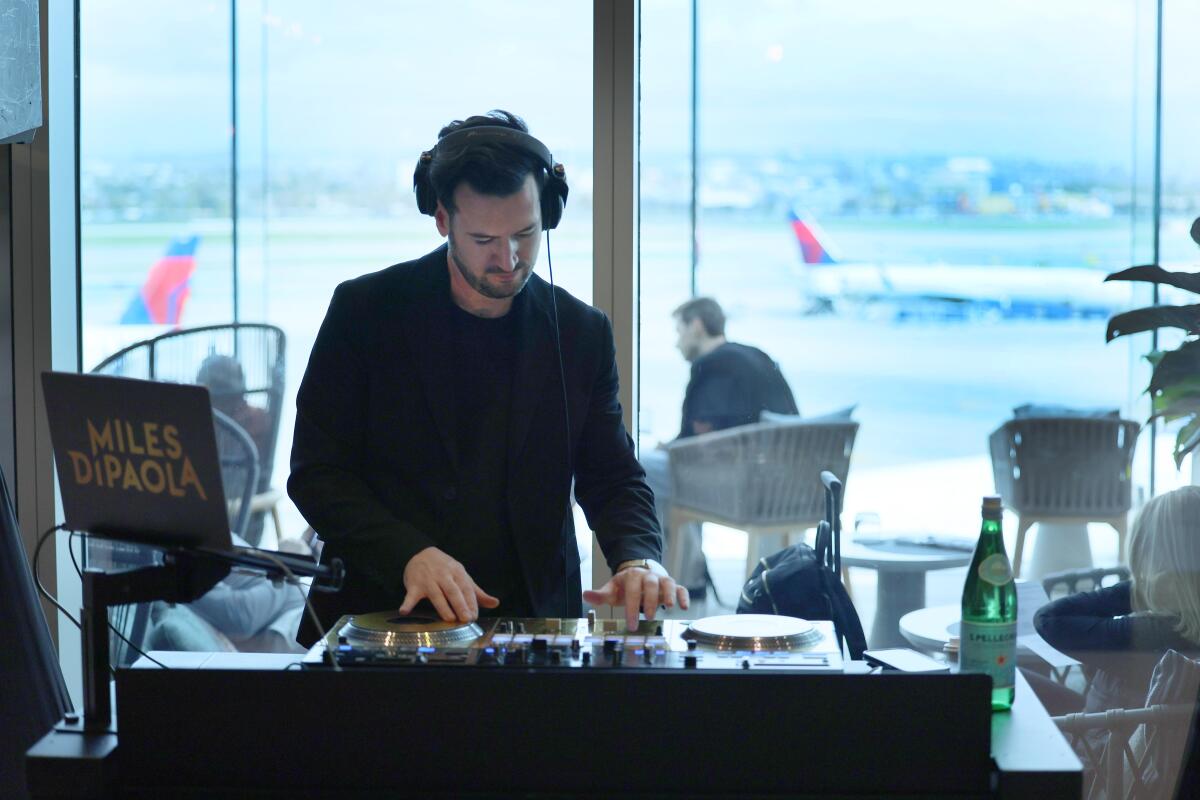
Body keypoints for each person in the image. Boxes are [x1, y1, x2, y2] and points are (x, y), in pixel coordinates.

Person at [288, 110, 686, 644]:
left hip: (534, 624)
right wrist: (407, 554)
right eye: (483, 239)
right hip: (379, 617)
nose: (509, 259)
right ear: (442, 219)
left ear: (548, 213)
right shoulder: (365, 311)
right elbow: (317, 473)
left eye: (525, 233)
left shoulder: (579, 330)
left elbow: (611, 475)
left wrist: (637, 558)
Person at [641, 297, 799, 597]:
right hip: (784, 487)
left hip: (739, 488)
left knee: (639, 468)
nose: (677, 343)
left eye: (679, 331)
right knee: (670, 478)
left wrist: (672, 446)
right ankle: (689, 573)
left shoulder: (712, 364)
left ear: (697, 326)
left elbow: (703, 433)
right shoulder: (758, 356)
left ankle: (678, 578)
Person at [1026, 485, 1200, 716]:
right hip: (1126, 734)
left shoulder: (1144, 635)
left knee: (1004, 680)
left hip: (1099, 744)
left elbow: (1049, 619)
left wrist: (1140, 591)